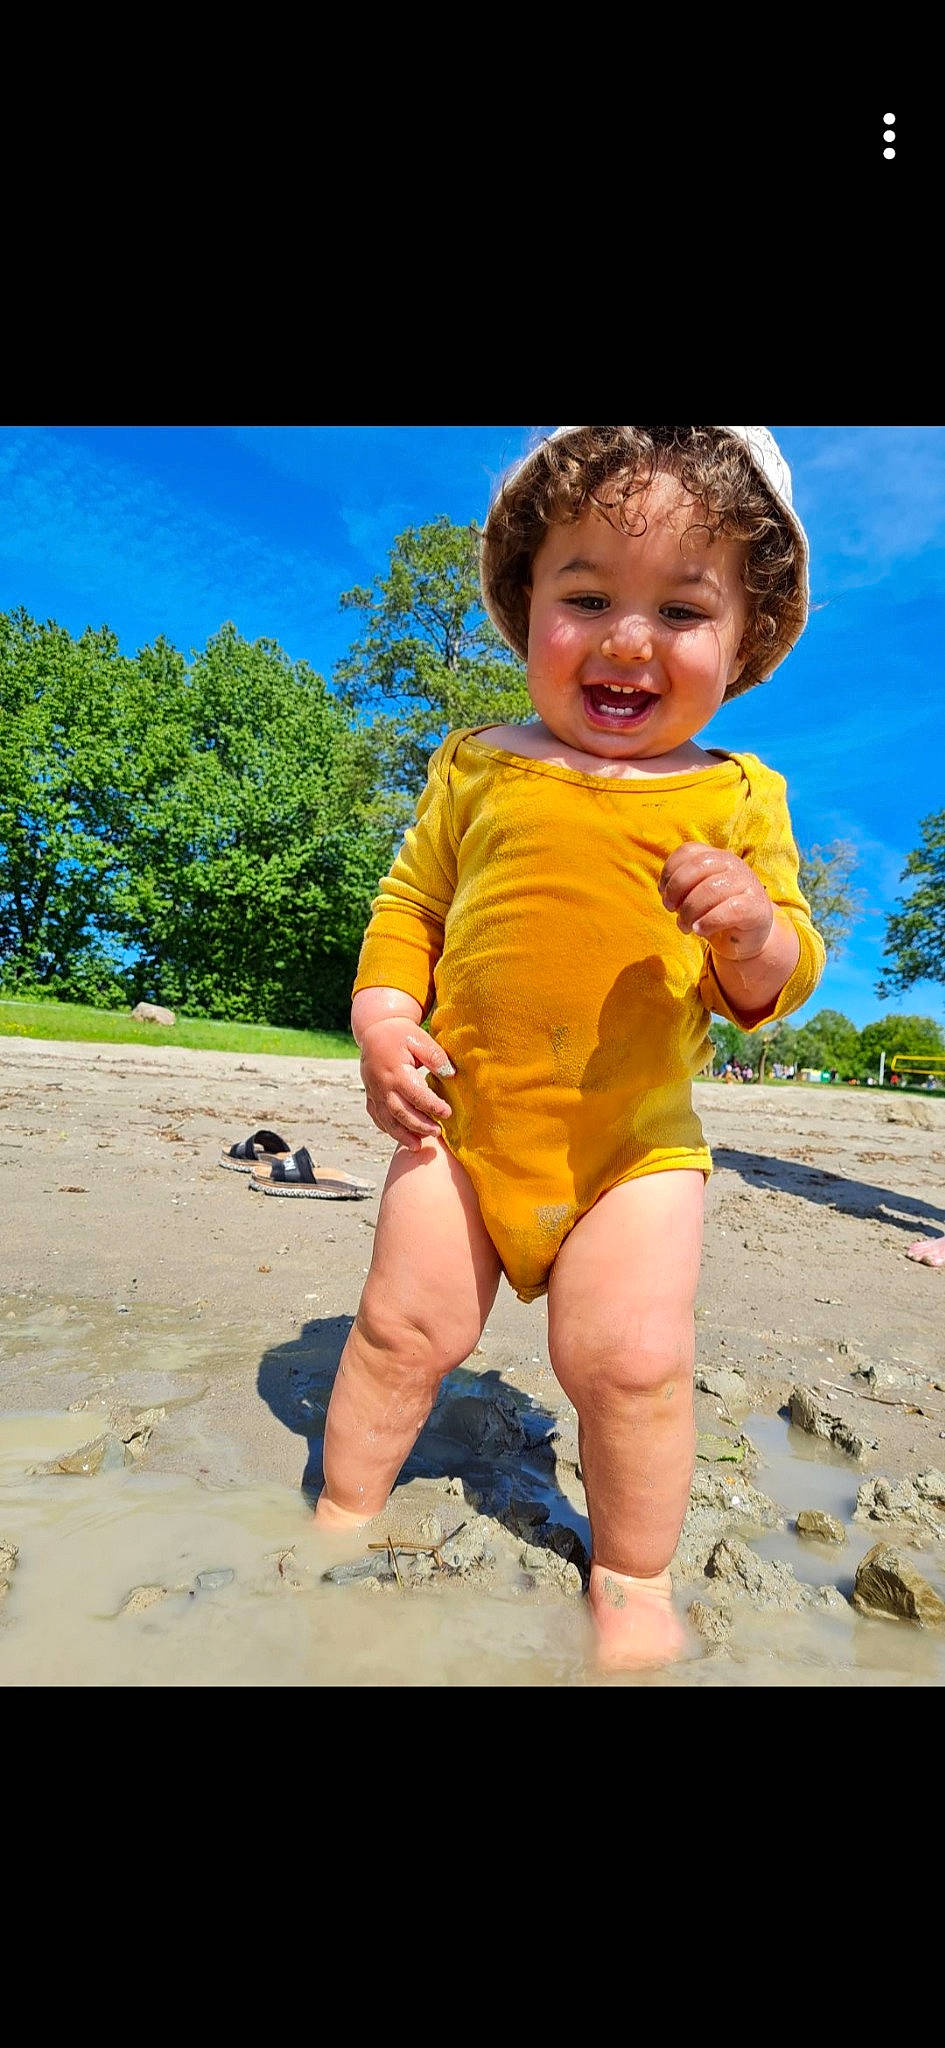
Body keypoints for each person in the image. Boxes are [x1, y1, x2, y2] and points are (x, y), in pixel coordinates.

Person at [314, 425, 826, 1669]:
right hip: (463, 1121)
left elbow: (784, 975)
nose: (628, 638)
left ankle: (636, 1577)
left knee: (634, 1362)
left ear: (745, 638)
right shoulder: (477, 764)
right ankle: (338, 1513)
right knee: (399, 1327)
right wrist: (385, 1017)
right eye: (586, 595)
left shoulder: (737, 795)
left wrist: (752, 928)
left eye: (681, 607)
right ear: (523, 599)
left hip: (631, 1146)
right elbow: (409, 911)